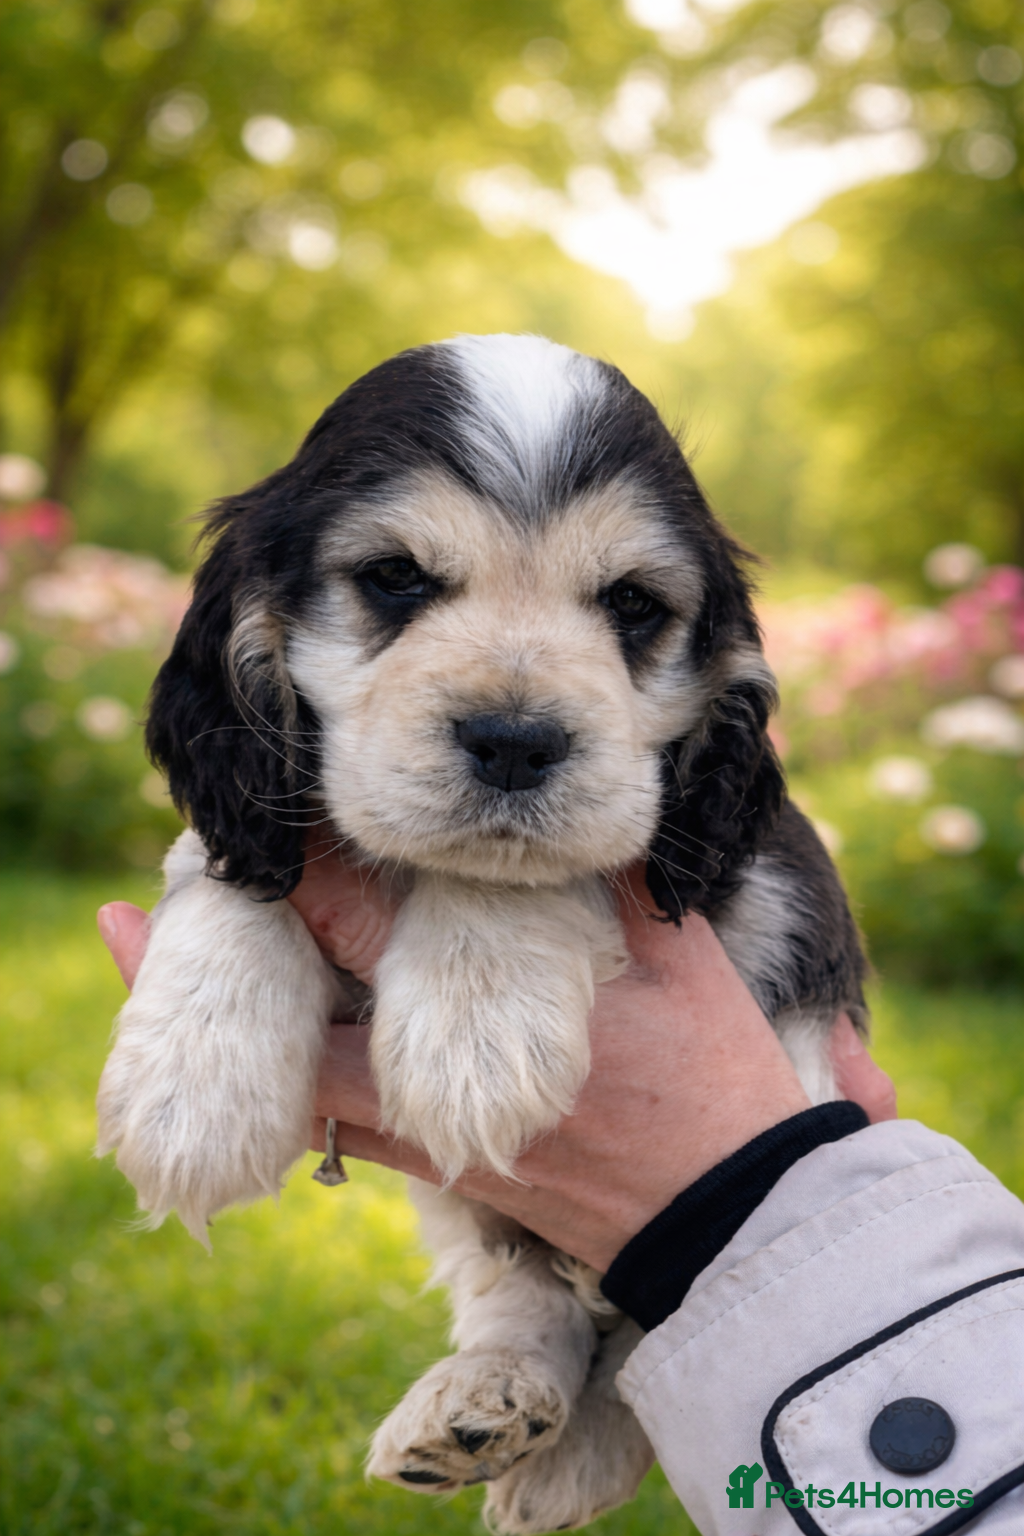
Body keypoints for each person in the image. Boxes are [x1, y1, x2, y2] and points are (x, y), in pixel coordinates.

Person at [98, 856, 1024, 1533]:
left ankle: (620, 1376)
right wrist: (221, 975)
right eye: (393, 580)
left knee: (491, 1082)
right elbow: (245, 858)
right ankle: (530, 1337)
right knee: (475, 1126)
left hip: (765, 1034)